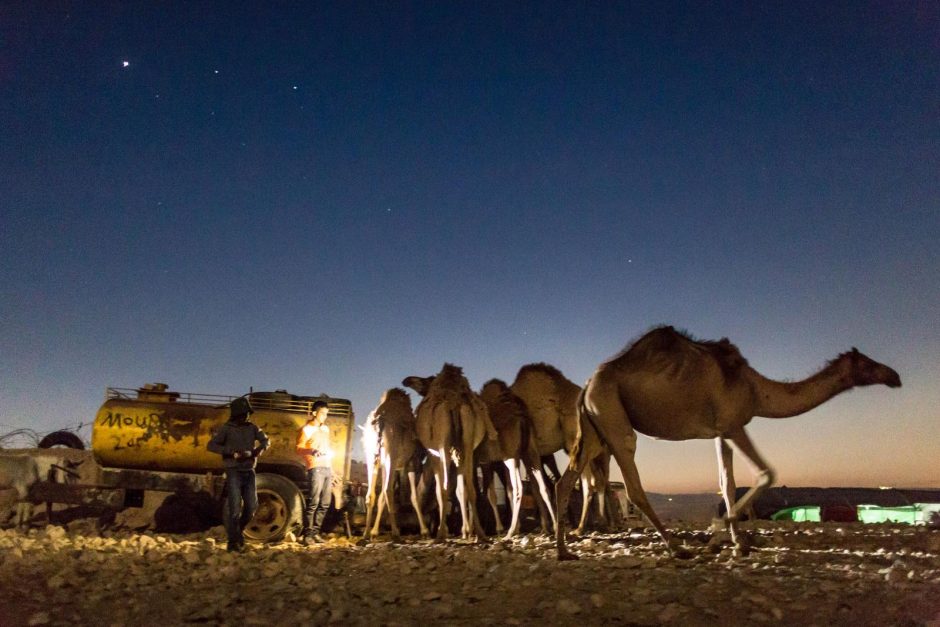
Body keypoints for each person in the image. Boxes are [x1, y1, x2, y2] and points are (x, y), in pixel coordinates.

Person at [207, 396, 269, 552]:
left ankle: (236, 535)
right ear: (237, 414)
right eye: (244, 413)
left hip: (249, 471)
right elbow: (211, 445)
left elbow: (266, 440)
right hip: (233, 470)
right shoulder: (226, 428)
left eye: (248, 413)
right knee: (234, 509)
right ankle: (232, 543)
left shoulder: (253, 427)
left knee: (252, 507)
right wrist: (231, 453)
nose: (247, 416)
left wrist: (257, 451)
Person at [296, 400, 334, 544]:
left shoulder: (326, 429)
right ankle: (308, 535)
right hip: (315, 467)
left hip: (327, 467)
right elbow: (298, 448)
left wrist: (333, 471)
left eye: (326, 414)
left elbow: (328, 447)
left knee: (325, 502)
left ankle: (315, 532)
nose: (325, 416)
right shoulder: (306, 429)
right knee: (314, 502)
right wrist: (311, 450)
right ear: (314, 413)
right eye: (322, 413)